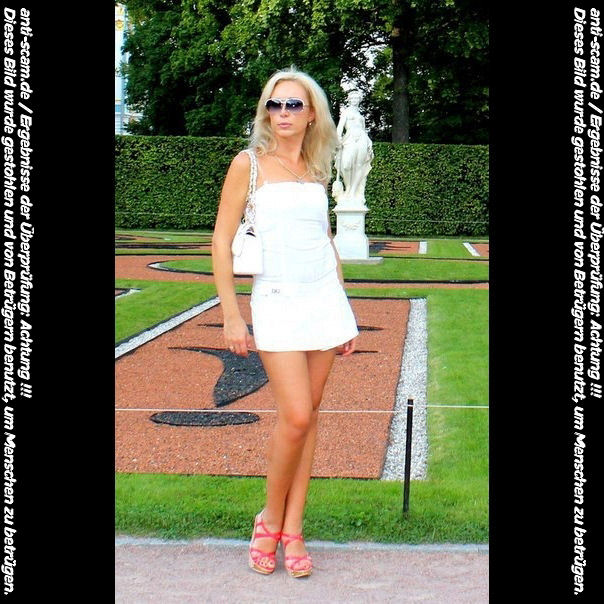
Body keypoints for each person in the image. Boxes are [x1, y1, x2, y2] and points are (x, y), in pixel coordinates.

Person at [211, 67, 359, 578]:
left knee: (309, 416)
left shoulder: (317, 169)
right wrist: (232, 314)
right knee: (295, 416)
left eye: (293, 104)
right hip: (275, 300)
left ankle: (293, 529)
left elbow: (326, 242)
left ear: (312, 113)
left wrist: (344, 312)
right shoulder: (248, 164)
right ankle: (269, 520)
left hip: (324, 301)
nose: (282, 113)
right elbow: (221, 241)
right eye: (274, 104)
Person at [334, 90, 374, 203]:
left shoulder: (360, 115)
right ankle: (348, 188)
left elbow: (364, 130)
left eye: (356, 98)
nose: (354, 100)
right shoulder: (346, 112)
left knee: (359, 165)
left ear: (359, 100)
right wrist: (338, 138)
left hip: (362, 139)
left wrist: (369, 141)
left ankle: (353, 192)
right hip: (349, 138)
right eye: (352, 98)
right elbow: (340, 127)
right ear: (349, 100)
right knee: (346, 165)